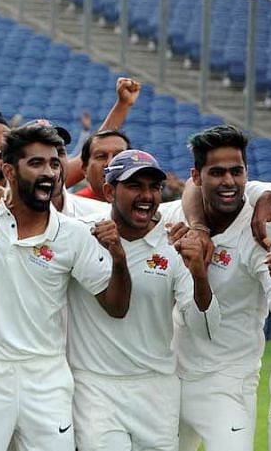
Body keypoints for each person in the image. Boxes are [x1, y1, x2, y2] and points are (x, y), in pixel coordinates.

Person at [0, 124, 131, 451]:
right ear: (8, 171)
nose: (49, 172)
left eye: (54, 164)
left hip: (46, 379)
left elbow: (116, 306)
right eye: (36, 164)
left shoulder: (74, 234)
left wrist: (118, 259)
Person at [67, 149, 218, 451]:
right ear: (109, 191)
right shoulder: (82, 234)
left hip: (156, 389)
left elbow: (206, 328)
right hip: (96, 387)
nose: (147, 195)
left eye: (154, 187)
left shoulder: (173, 244)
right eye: (135, 186)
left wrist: (201, 277)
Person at [155, 125, 271, 451]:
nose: (228, 181)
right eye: (217, 172)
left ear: (247, 175)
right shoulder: (176, 215)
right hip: (171, 377)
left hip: (228, 385)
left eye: (237, 172)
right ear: (196, 176)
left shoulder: (262, 228)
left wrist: (264, 192)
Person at [75, 129, 131, 201]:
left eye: (118, 156)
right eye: (101, 156)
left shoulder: (145, 204)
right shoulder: (72, 207)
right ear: (85, 169)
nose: (110, 163)